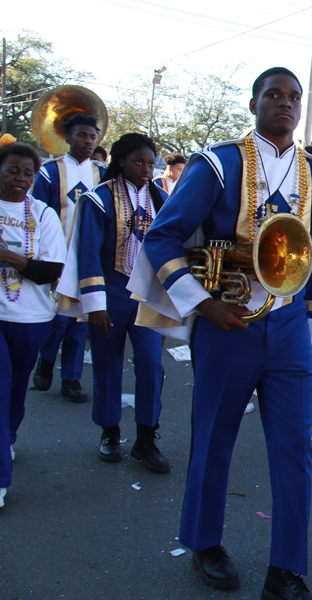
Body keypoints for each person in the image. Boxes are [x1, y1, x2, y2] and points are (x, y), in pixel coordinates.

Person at [128, 67, 312, 599]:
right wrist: (201, 305)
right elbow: (163, 236)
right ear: (253, 103)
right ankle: (204, 541)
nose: (285, 104)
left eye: (294, 97)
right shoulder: (218, 164)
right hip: (227, 324)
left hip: (288, 323)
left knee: (295, 446)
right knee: (214, 438)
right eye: (274, 95)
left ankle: (287, 568)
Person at [57, 133, 170, 471]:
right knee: (108, 364)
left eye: (151, 163)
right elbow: (87, 253)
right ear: (121, 161)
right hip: (111, 291)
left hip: (147, 293)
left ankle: (147, 437)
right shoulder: (98, 199)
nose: (146, 169)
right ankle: (109, 431)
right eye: (139, 161)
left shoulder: (163, 199)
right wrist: (94, 305)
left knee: (152, 364)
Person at [0, 141, 66, 509]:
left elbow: (50, 271)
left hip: (30, 317)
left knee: (14, 388)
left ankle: (7, 435)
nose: (20, 179)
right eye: (12, 170)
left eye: (28, 173)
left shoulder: (42, 214)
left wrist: (9, 257)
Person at [31, 113, 106, 402]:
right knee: (60, 317)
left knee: (81, 318)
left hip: (88, 255)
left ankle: (71, 379)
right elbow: (37, 215)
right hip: (57, 256)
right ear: (67, 138)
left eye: (92, 136)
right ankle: (47, 358)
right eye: (82, 136)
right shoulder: (50, 172)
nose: (88, 141)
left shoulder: (102, 173)